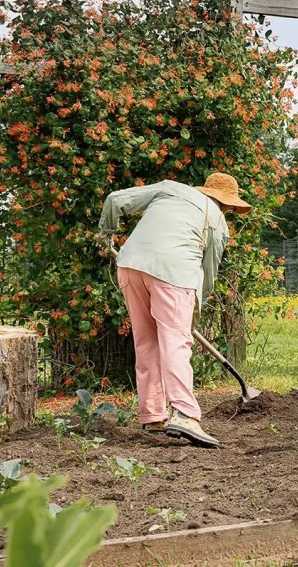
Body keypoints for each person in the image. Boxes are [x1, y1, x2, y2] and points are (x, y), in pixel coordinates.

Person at [96, 172, 251, 448]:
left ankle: (153, 416)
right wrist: (194, 309)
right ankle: (186, 415)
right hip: (173, 275)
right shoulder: (217, 222)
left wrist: (106, 234)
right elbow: (207, 273)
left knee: (147, 343)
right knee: (176, 345)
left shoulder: (170, 189)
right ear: (226, 204)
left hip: (130, 266)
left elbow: (115, 199)